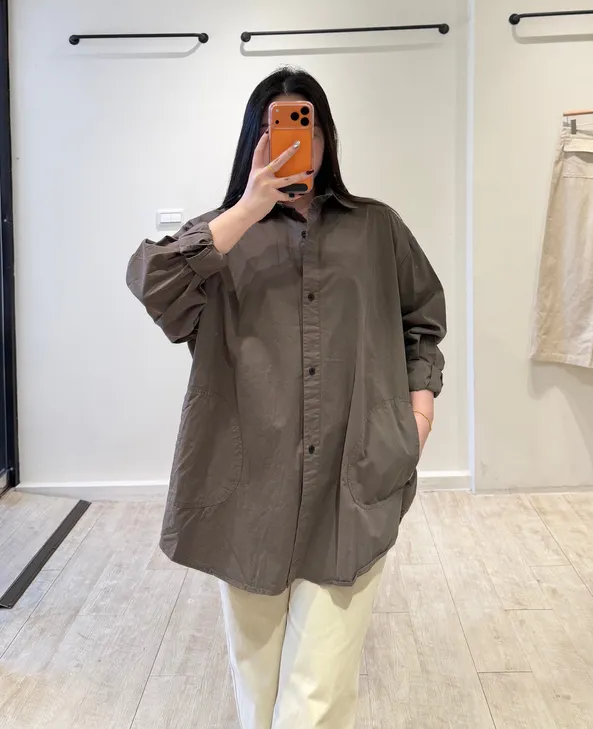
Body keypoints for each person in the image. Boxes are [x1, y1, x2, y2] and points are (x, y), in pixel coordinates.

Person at [126, 67, 446, 729]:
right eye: (279, 129)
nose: (299, 143)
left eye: (310, 127)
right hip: (247, 485)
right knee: (258, 685)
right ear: (256, 140)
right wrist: (246, 209)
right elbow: (153, 285)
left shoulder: (376, 227)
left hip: (353, 478)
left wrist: (419, 412)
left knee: (317, 696)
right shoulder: (221, 236)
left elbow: (421, 317)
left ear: (328, 138)